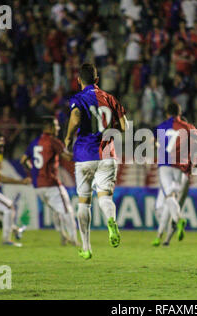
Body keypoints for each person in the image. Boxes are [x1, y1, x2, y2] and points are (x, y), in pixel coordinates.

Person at [64, 63, 128, 260]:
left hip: (84, 155)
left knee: (83, 202)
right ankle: (111, 220)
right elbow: (125, 126)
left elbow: (75, 118)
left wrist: (67, 138)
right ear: (97, 80)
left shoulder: (79, 98)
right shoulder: (110, 98)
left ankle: (86, 247)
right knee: (105, 198)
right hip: (107, 154)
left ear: (79, 81)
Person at [151, 102, 197, 246]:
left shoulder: (161, 126)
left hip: (166, 165)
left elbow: (153, 142)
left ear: (167, 113)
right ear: (180, 113)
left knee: (169, 198)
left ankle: (177, 221)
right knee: (171, 201)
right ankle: (164, 237)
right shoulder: (189, 128)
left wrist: (157, 146)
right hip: (182, 170)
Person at [21, 116, 79, 246]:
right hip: (51, 184)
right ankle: (74, 239)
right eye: (56, 125)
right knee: (67, 210)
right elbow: (67, 157)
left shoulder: (34, 142)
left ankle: (63, 235)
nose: (58, 128)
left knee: (57, 211)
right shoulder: (53, 141)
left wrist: (34, 172)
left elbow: (23, 160)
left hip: (38, 187)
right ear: (50, 127)